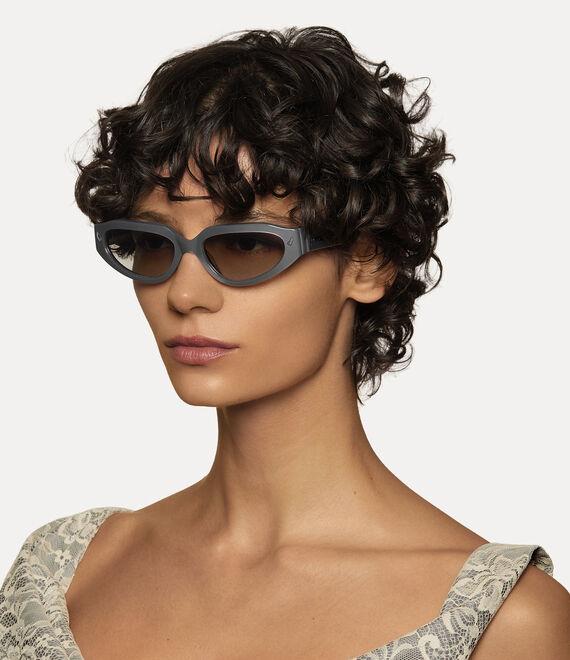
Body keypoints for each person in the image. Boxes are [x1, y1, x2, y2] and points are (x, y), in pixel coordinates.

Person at [1, 25, 568, 660]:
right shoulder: (63, 576)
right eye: (153, 245)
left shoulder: (507, 626)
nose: (184, 294)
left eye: (245, 244)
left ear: (368, 262)